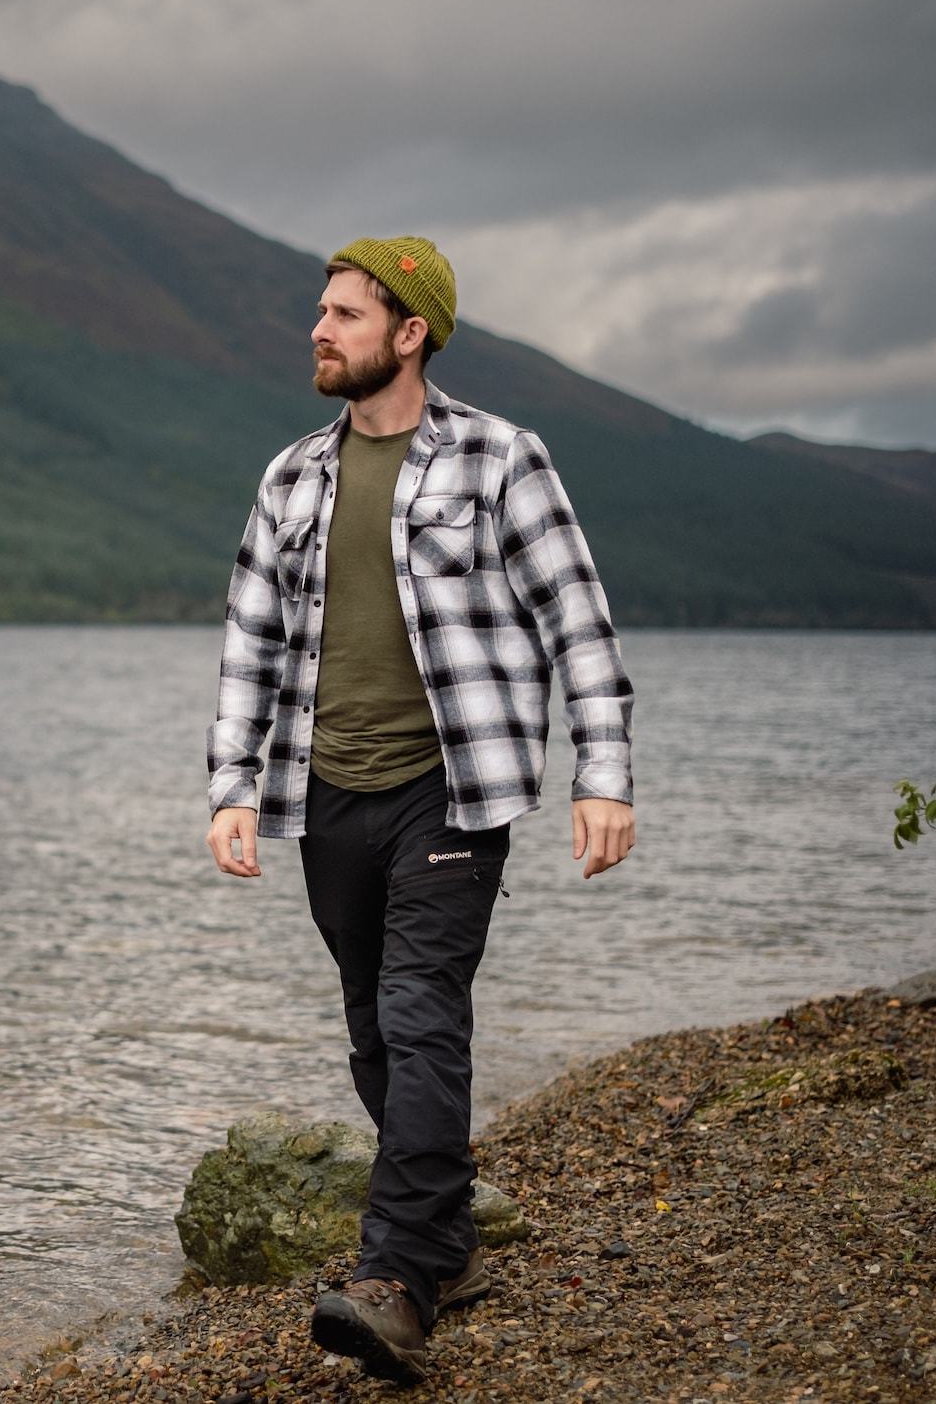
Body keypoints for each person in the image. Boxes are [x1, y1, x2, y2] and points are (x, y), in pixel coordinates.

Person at [204, 235, 636, 1384]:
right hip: (326, 793)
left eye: (345, 313)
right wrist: (230, 786)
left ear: (410, 334)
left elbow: (576, 624)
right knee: (368, 1025)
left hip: (452, 787)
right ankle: (443, 1236)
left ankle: (392, 1278)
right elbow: (250, 641)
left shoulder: (500, 459)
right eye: (321, 309)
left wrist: (603, 774)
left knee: (418, 1008)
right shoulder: (293, 474)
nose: (319, 327)